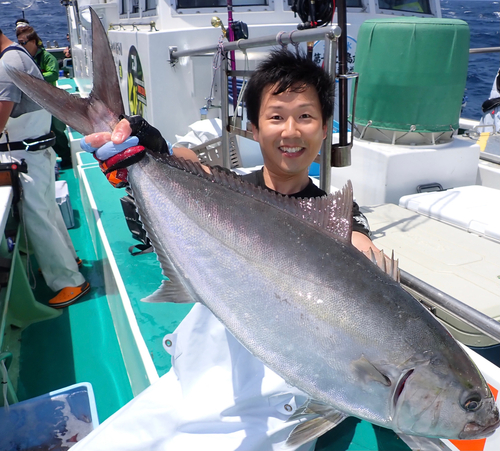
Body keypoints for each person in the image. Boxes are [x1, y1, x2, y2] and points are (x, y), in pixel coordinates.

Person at [73, 49, 377, 450]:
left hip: (277, 402)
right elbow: (187, 163)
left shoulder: (336, 219)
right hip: (196, 380)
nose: (290, 131)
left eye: (305, 116)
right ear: (253, 129)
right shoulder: (227, 191)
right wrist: (151, 151)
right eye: (276, 116)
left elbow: (362, 252)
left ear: (324, 129)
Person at [0, 27, 90, 308]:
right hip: (35, 152)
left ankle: (69, 281)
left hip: (26, 155)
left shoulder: (7, 65)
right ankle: (67, 261)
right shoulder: (17, 56)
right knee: (48, 213)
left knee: (39, 219)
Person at [16, 24, 73, 168]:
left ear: (33, 41)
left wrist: (33, 78)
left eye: (23, 43)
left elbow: (53, 74)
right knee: (42, 131)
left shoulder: (48, 57)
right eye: (19, 43)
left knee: (57, 129)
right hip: (35, 101)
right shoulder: (24, 58)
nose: (21, 46)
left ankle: (66, 157)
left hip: (52, 101)